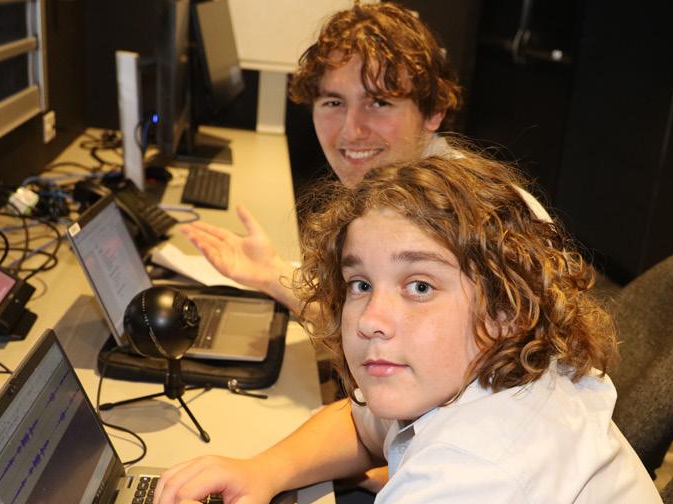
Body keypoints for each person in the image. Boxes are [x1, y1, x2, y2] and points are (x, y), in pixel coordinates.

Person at [121, 153, 673, 504]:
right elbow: (366, 424)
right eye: (360, 284)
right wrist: (263, 470)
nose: (371, 320)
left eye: (419, 286)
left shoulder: (481, 475)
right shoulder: (501, 367)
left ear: (505, 308)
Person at [179, 1, 549, 318]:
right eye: (333, 102)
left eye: (379, 103)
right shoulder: (395, 194)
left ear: (434, 111)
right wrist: (270, 274)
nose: (351, 130)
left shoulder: (466, 215)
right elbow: (367, 327)